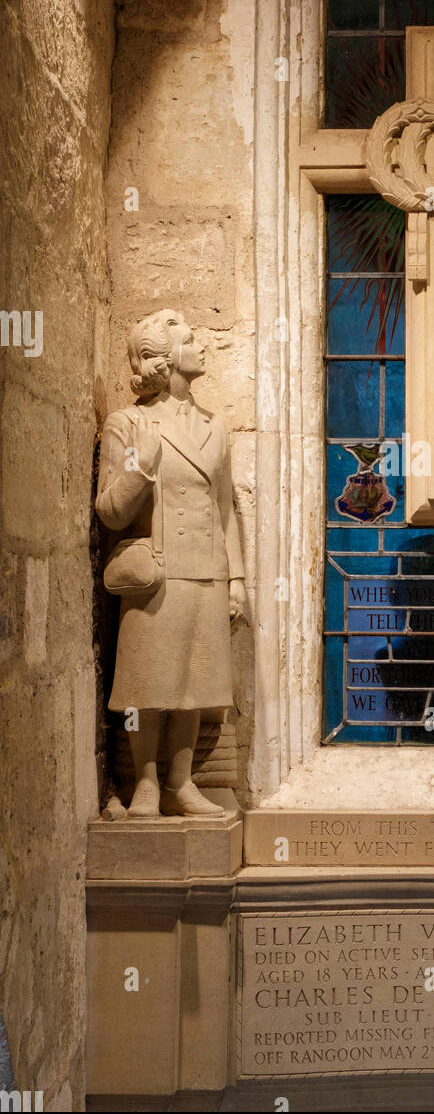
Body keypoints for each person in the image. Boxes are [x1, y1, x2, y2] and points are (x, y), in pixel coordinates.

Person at [96, 309, 247, 817]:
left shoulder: (216, 426)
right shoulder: (130, 422)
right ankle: (142, 783)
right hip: (157, 575)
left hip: (206, 572)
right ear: (160, 357)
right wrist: (143, 462)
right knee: (147, 686)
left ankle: (180, 784)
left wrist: (238, 580)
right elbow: (112, 512)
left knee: (192, 686)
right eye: (190, 338)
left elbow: (226, 510)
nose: (202, 346)